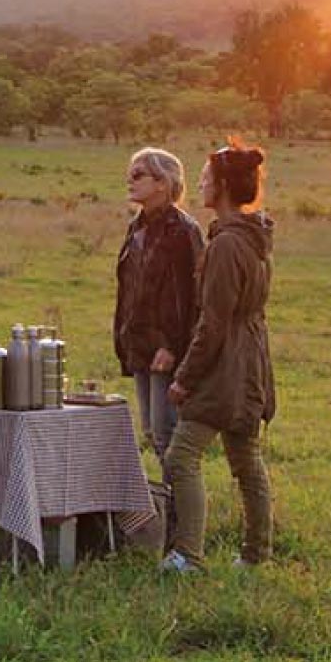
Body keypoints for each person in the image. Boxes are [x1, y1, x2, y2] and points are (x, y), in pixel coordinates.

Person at [162, 140, 278, 572]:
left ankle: (188, 555)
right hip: (250, 359)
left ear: (225, 186)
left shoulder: (228, 244)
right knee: (246, 459)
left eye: (208, 178)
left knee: (181, 457)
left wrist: (185, 376)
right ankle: (255, 554)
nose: (202, 184)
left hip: (227, 363)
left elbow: (213, 321)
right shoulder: (253, 237)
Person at [114, 147, 205, 455]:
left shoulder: (182, 230)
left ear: (163, 183)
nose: (130, 180)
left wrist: (173, 345)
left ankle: (178, 504)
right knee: (153, 432)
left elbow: (191, 298)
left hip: (166, 348)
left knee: (167, 434)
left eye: (138, 174)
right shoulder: (137, 226)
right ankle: (169, 502)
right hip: (139, 342)